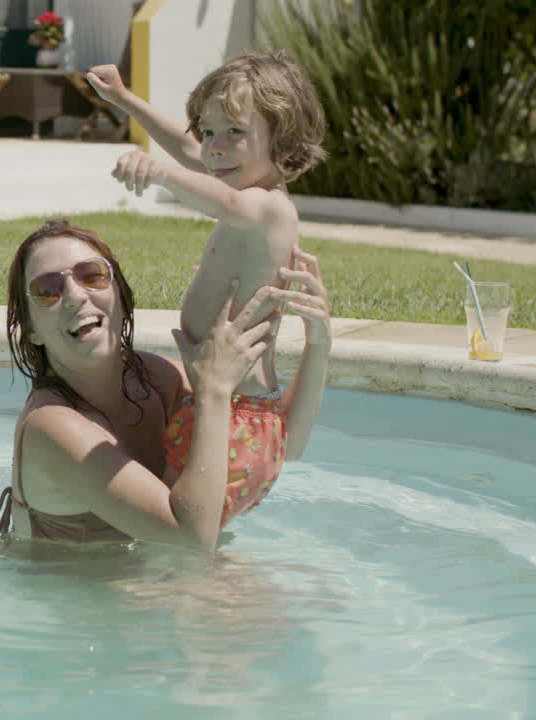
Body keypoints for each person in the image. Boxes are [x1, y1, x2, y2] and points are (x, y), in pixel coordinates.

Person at [85, 51, 331, 520]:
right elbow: (189, 149)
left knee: (177, 535)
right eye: (210, 131)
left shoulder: (268, 207)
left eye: (234, 132)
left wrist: (160, 173)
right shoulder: (246, 183)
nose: (215, 147)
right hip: (228, 411)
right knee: (181, 531)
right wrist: (124, 99)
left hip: (236, 419)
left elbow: (224, 201)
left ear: (282, 138)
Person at [0, 220, 331, 549]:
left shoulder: (156, 379)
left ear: (120, 294)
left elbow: (284, 446)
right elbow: (192, 538)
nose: (76, 296)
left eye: (92, 276)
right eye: (48, 290)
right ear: (31, 330)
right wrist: (214, 390)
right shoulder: (52, 426)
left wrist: (318, 344)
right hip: (68, 587)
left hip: (151, 574)